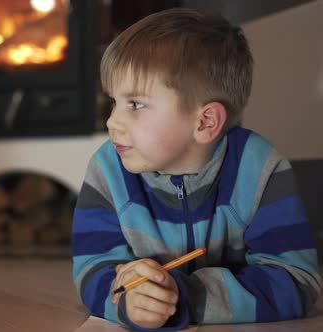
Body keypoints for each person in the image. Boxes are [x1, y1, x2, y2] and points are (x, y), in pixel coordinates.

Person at [72, 7, 321, 331]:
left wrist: (184, 296)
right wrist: (127, 300)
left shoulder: (260, 169)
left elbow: (297, 279)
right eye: (114, 101)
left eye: (135, 104)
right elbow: (92, 268)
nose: (112, 122)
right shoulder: (108, 170)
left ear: (204, 122)